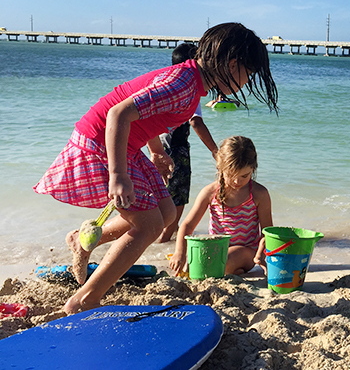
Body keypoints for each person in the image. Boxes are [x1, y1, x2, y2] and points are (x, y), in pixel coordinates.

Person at [34, 22, 279, 313]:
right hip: (102, 142)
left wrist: (156, 151)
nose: (246, 82)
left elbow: (144, 114)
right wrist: (118, 175)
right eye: (248, 74)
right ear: (233, 63)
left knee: (164, 213)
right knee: (149, 225)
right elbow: (118, 113)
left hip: (127, 144)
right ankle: (83, 301)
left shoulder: (191, 84)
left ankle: (81, 240)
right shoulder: (184, 86)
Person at [169, 136, 272, 276]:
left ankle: (230, 269)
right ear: (220, 166)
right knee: (190, 267)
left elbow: (268, 233)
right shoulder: (210, 192)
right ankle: (233, 272)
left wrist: (260, 254)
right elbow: (187, 225)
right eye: (231, 174)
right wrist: (179, 253)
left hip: (246, 251)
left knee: (222, 262)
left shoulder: (259, 194)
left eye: (244, 175)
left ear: (253, 168)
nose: (237, 181)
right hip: (216, 249)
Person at [157, 43, 219, 243]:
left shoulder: (165, 82)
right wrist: (215, 151)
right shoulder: (189, 87)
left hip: (158, 146)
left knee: (160, 194)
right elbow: (196, 122)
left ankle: (158, 238)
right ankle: (165, 239)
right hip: (176, 148)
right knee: (178, 198)